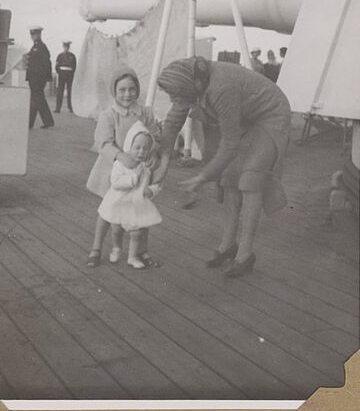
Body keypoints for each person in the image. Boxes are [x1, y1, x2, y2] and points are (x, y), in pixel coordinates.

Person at [155, 57, 291, 278]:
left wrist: (202, 177)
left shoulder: (221, 87)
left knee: (250, 180)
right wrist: (163, 164)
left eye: (175, 95)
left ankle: (245, 254)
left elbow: (230, 144)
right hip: (246, 116)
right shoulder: (190, 81)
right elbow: (172, 123)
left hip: (270, 115)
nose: (173, 100)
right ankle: (228, 245)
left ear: (190, 87)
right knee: (229, 179)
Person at [86, 66, 159, 268]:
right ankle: (96, 248)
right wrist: (121, 156)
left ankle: (141, 250)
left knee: (141, 209)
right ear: (114, 91)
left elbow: (153, 138)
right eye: (122, 90)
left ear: (137, 89)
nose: (128, 94)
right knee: (107, 211)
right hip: (114, 169)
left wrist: (153, 154)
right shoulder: (108, 115)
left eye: (132, 89)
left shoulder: (144, 112)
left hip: (138, 169)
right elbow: (103, 143)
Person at [99, 121, 162, 269]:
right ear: (129, 146)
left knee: (136, 232)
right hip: (118, 202)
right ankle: (116, 248)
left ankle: (132, 257)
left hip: (135, 204)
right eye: (137, 148)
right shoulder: (120, 164)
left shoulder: (147, 165)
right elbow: (115, 182)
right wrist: (133, 178)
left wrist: (151, 190)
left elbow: (156, 183)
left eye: (145, 149)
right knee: (116, 229)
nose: (141, 152)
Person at [26, 26, 54, 129]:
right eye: (32, 35)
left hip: (38, 79)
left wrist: (47, 78)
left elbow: (47, 63)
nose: (33, 37)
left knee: (35, 100)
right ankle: (48, 121)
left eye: (34, 34)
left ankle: (30, 123)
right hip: (34, 78)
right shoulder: (34, 47)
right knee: (39, 100)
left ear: (39, 35)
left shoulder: (41, 47)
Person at [54, 40, 77, 113]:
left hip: (69, 75)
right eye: (65, 47)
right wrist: (60, 73)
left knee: (70, 91)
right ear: (63, 47)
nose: (66, 48)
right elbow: (57, 67)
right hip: (62, 75)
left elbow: (74, 67)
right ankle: (58, 108)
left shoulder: (72, 56)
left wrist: (71, 74)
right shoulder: (60, 56)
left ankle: (70, 107)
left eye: (67, 47)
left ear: (69, 47)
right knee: (60, 91)